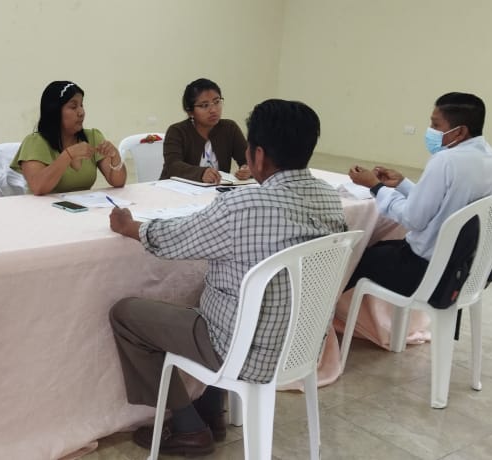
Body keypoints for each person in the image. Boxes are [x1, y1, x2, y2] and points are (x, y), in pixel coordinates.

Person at [108, 99, 346, 455]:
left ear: (258, 156)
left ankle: (188, 426)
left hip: (242, 353)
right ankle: (211, 411)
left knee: (126, 315)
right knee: (215, 294)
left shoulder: (243, 206)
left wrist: (129, 227)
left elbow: (173, 239)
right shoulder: (330, 198)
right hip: (302, 347)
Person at [346, 92, 492, 295]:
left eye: (436, 125)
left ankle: (325, 312)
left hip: (427, 271)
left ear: (460, 131)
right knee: (381, 249)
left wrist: (376, 187)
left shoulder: (446, 160)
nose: (430, 131)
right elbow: (445, 203)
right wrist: (402, 184)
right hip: (464, 268)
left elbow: (413, 219)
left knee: (353, 258)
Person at [10, 81, 127, 195]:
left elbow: (118, 182)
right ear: (54, 111)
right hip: (43, 207)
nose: (81, 112)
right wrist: (68, 155)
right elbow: (38, 187)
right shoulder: (34, 143)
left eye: (81, 105)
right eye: (73, 107)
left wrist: (115, 157)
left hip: (82, 206)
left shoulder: (93, 137)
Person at [159, 78, 251, 184]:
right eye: (204, 105)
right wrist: (201, 173)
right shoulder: (177, 131)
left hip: (214, 189)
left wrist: (248, 169)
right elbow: (173, 166)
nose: (213, 110)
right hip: (175, 189)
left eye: (217, 102)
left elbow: (248, 160)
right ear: (190, 111)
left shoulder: (229, 128)